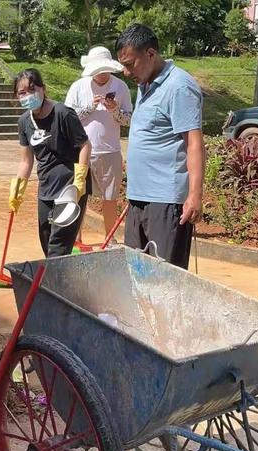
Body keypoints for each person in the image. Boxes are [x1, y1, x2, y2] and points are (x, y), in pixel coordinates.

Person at [116, 24, 205, 269]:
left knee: (165, 278)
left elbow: (194, 143)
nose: (125, 72)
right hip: (140, 199)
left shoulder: (179, 86)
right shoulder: (144, 84)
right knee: (136, 274)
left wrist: (195, 195)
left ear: (151, 54)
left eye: (129, 64)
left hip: (165, 202)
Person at [10, 68, 91, 258]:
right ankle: (60, 278)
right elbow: (26, 160)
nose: (28, 95)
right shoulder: (24, 122)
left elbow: (85, 145)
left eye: (32, 89)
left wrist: (80, 179)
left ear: (43, 89)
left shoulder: (63, 113)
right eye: (22, 93)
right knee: (46, 238)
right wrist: (17, 190)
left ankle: (54, 284)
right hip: (46, 187)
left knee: (58, 244)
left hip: (70, 187)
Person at [66, 46, 132, 245]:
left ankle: (110, 238)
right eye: (97, 71)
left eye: (104, 70)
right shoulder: (78, 87)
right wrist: (89, 108)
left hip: (110, 151)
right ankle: (76, 239)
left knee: (110, 198)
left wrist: (114, 111)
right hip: (81, 151)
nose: (102, 75)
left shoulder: (121, 87)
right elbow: (67, 118)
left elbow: (129, 119)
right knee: (78, 195)